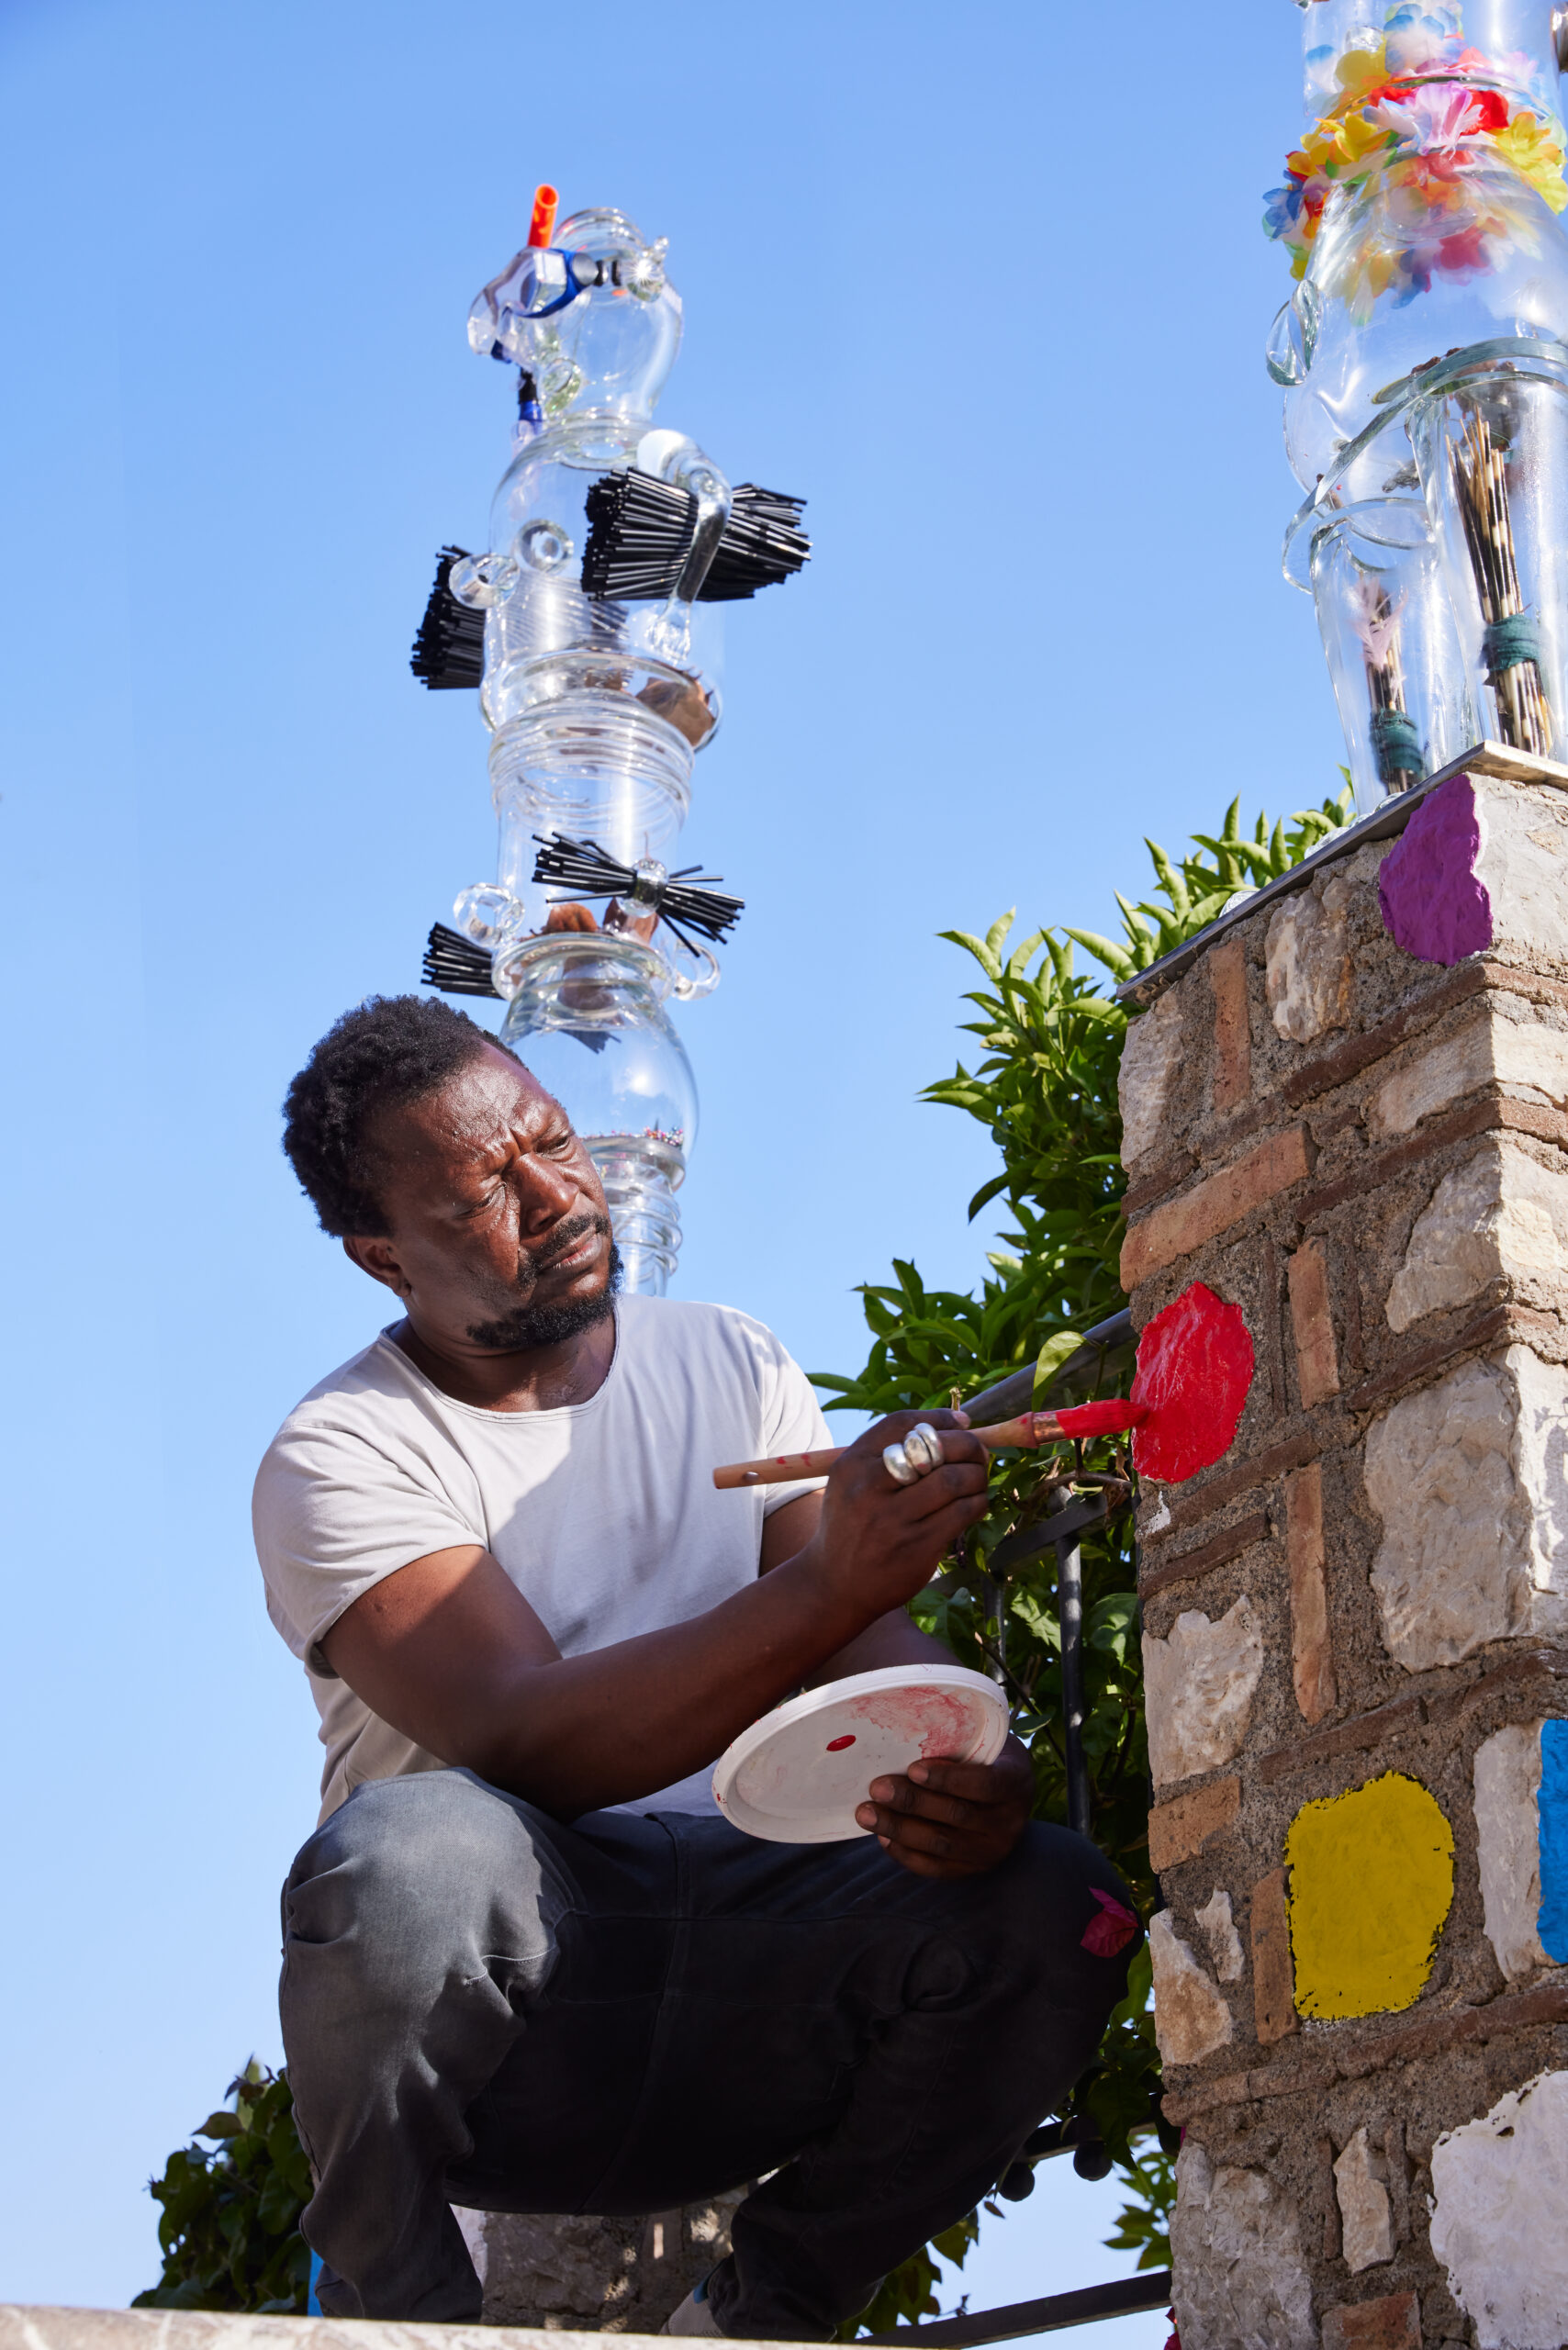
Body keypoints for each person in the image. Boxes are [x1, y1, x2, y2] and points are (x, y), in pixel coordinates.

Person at [254, 994, 1138, 2341]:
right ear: (385, 1259)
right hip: (519, 2026)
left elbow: (870, 1654)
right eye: (487, 1190)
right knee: (412, 1857)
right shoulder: (339, 1453)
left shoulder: (728, 1357)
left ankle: (758, 2324)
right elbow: (527, 1734)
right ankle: (403, 2315)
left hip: (747, 1970)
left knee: (1052, 1896)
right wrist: (831, 1571)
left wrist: (973, 1772)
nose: (558, 1195)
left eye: (553, 1140)